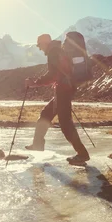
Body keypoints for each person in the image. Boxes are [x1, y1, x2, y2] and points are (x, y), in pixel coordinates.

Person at [25, 34, 90, 166]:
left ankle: (82, 154)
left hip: (63, 90)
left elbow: (53, 75)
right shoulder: (57, 50)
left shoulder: (53, 52)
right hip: (64, 90)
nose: (39, 49)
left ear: (45, 43)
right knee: (46, 114)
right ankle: (38, 143)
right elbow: (57, 73)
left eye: (39, 45)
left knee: (65, 124)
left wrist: (35, 83)